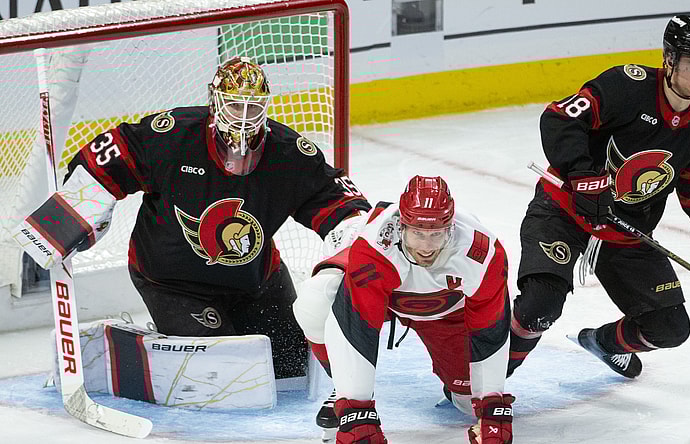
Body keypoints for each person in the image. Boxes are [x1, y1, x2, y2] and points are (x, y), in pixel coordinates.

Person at [17, 56, 371, 382]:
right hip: (173, 282)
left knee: (293, 368)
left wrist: (353, 237)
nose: (244, 115)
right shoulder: (174, 135)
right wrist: (79, 208)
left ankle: (181, 337)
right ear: (214, 99)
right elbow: (114, 152)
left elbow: (333, 197)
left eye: (254, 106)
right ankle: (134, 342)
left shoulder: (288, 153)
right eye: (234, 104)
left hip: (256, 281)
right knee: (225, 373)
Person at [507, 15, 690, 379]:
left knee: (670, 328)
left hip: (625, 229)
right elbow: (560, 119)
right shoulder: (627, 86)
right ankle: (483, 381)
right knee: (538, 308)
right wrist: (582, 176)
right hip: (565, 211)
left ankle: (604, 344)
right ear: (669, 59)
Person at [293, 176, 514, 444]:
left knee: (469, 404)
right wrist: (356, 410)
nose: (426, 246)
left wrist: (491, 404)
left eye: (435, 234)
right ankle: (342, 389)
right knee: (315, 299)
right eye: (418, 233)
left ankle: (457, 383)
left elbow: (489, 326)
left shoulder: (482, 251)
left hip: (446, 312)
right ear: (401, 226)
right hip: (384, 296)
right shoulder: (375, 245)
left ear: (450, 227)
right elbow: (357, 325)